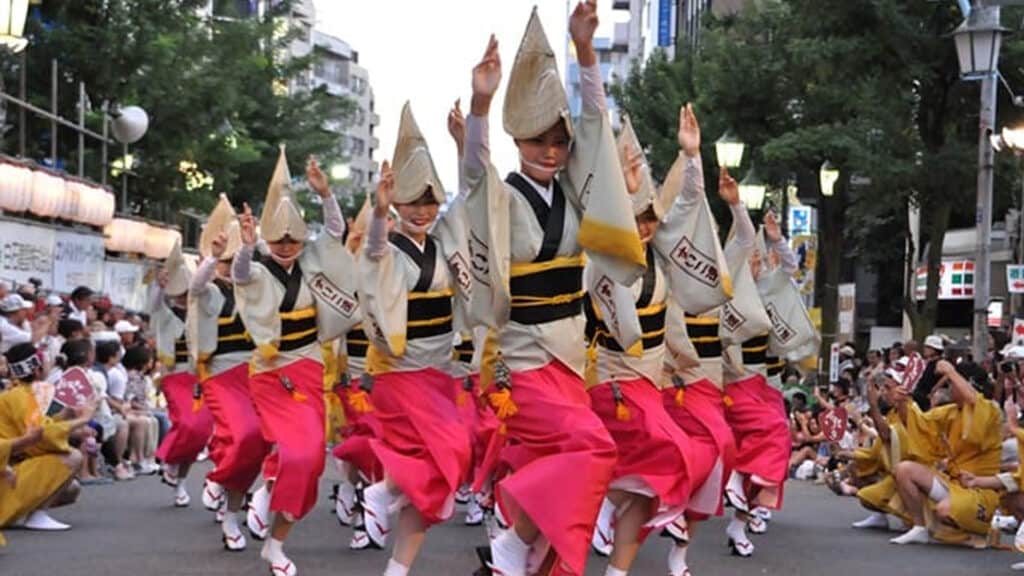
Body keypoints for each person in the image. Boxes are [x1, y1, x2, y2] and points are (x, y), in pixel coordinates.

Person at [464, 3, 646, 573]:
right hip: (522, 361)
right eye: (538, 139)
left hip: (571, 361)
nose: (550, 150)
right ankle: (511, 538)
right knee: (593, 449)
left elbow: (595, 123)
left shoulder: (574, 193)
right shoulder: (501, 195)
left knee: (577, 481)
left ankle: (516, 545)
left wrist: (585, 51)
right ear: (517, 137)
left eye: (559, 141)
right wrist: (481, 105)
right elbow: (473, 172)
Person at [356, 103, 473, 576]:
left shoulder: (445, 239)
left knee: (448, 467)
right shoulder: (388, 244)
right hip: (401, 372)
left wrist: (464, 144)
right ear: (397, 203)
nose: (421, 211)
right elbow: (374, 250)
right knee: (449, 457)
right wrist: (381, 213)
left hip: (441, 369)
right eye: (411, 202)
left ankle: (397, 564)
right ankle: (383, 491)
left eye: (428, 201)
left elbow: (471, 200)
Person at [582, 111, 697, 576]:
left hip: (650, 385)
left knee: (651, 485)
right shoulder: (602, 261)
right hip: (610, 384)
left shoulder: (661, 259)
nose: (645, 225)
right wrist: (625, 191)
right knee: (671, 457)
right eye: (635, 218)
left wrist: (690, 155)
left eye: (649, 217)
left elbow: (685, 204)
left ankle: (616, 563)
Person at [234, 148, 358, 576]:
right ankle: (265, 496)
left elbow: (337, 231)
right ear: (267, 238)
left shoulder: (311, 261)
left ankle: (276, 541)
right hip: (270, 371)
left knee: (311, 459)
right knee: (293, 451)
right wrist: (247, 247)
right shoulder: (258, 268)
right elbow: (239, 274)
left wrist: (325, 195)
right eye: (278, 239)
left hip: (307, 365)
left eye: (293, 238)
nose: (286, 246)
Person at [188, 194, 269, 552]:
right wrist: (211, 258)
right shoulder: (206, 290)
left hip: (256, 372)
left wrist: (255, 241)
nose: (228, 262)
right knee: (246, 434)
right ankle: (220, 483)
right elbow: (196, 286)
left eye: (234, 254)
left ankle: (232, 511)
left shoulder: (254, 287)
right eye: (225, 255)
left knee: (262, 441)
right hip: (220, 374)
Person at [889, 358, 1003, 547]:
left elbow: (974, 400)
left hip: (980, 490)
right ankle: (919, 528)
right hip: (953, 482)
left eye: (952, 383)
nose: (950, 388)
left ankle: (975, 530)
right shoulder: (950, 411)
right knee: (904, 469)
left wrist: (950, 371)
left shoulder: (991, 410)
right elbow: (919, 424)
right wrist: (902, 402)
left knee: (944, 510)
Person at [0, 342, 93, 531]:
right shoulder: (19, 396)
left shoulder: (21, 393)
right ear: (36, 370)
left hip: (10, 467)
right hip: (6, 472)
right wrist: (83, 420)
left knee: (71, 489)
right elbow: (43, 436)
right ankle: (35, 515)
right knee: (72, 458)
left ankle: (23, 512)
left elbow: (42, 426)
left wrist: (66, 415)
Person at [150, 239, 214, 507]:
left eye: (185, 293)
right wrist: (159, 286)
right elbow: (154, 305)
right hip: (174, 376)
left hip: (200, 377)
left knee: (200, 432)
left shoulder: (203, 314)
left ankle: (180, 481)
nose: (182, 299)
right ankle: (167, 459)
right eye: (178, 294)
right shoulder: (165, 315)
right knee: (187, 423)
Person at [851, 358, 940, 530]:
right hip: (899, 471)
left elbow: (887, 435)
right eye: (884, 388)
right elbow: (878, 450)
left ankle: (918, 521)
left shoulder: (911, 410)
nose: (884, 392)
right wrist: (849, 454)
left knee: (867, 494)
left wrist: (873, 406)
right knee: (859, 467)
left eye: (888, 388)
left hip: (920, 474)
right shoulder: (893, 412)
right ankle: (882, 516)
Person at [910, 335, 945, 411]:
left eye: (927, 347)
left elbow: (947, 376)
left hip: (925, 400)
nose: (924, 349)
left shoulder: (940, 363)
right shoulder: (930, 363)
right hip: (919, 396)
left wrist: (933, 391)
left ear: (935, 349)